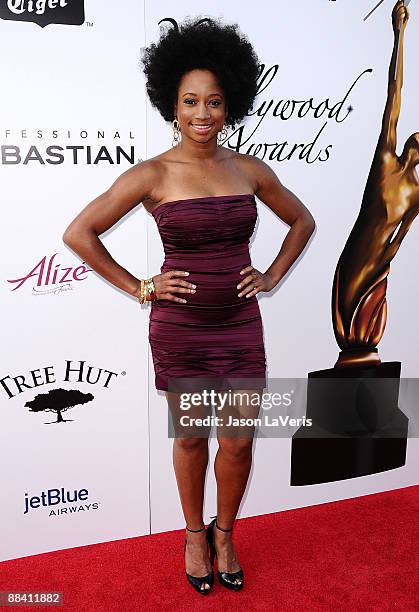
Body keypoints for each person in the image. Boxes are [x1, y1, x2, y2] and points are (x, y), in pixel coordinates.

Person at [62, 16, 315, 595]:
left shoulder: (247, 169)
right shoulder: (152, 173)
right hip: (181, 328)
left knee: (240, 440)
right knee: (193, 437)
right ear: (171, 106)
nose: (203, 114)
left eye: (215, 102)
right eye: (191, 102)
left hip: (240, 324)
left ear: (230, 104)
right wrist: (140, 286)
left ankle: (226, 531)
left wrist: (272, 273)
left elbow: (302, 220)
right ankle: (194, 535)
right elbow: (80, 232)